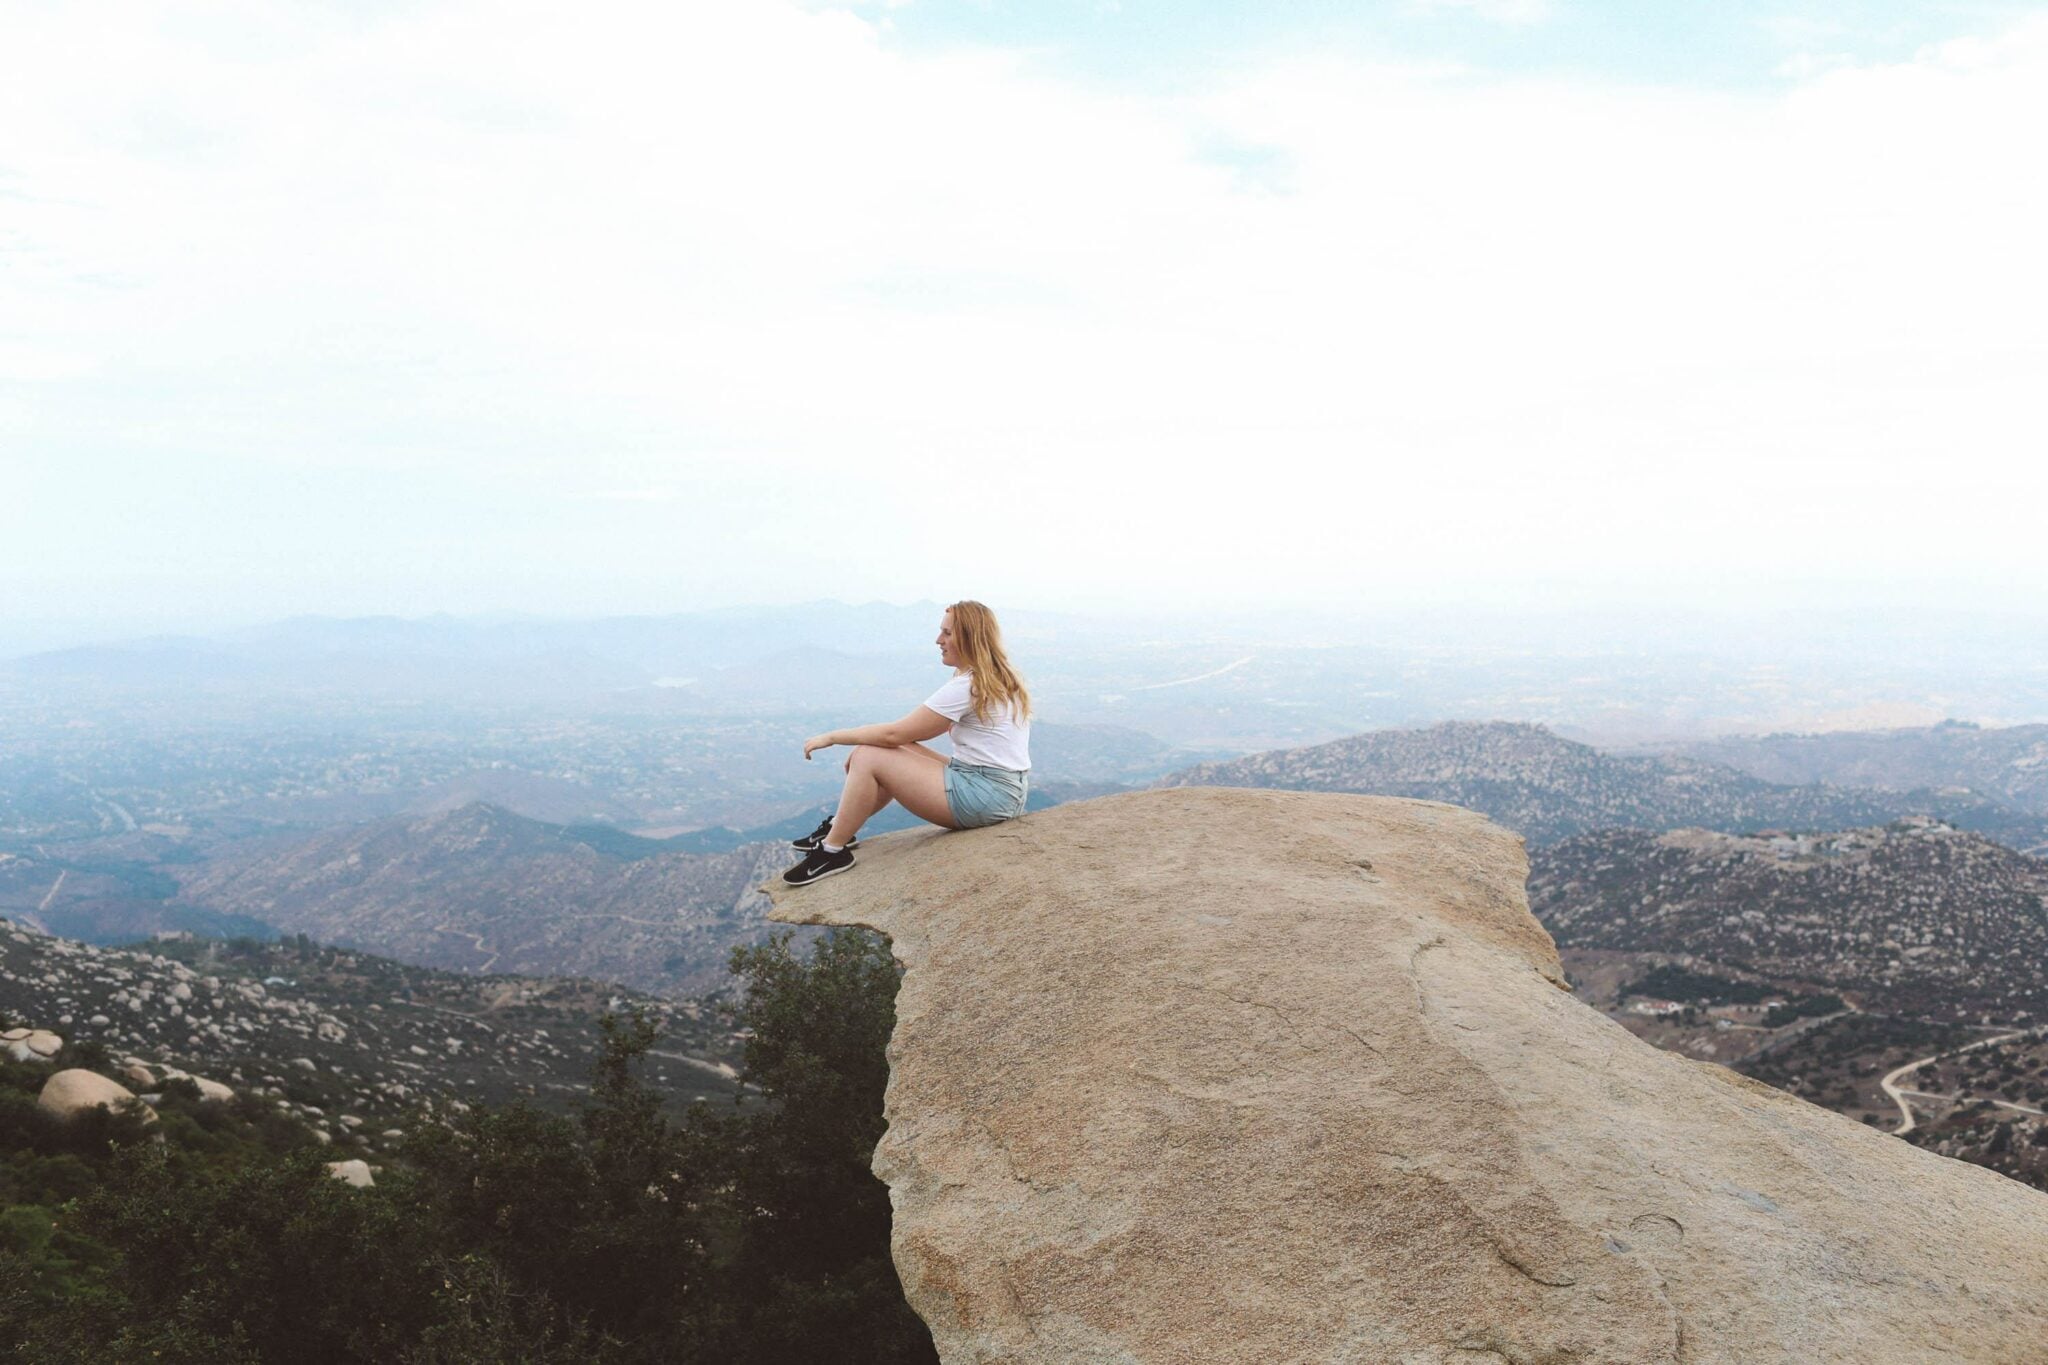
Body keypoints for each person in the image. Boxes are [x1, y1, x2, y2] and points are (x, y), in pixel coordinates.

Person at [781, 600, 1032, 886]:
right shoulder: (994, 676)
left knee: (869, 757)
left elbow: (894, 735)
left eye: (947, 633)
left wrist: (831, 737)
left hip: (986, 796)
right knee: (873, 752)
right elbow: (902, 740)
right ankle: (840, 827)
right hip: (998, 788)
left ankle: (832, 850)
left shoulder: (968, 686)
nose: (939, 640)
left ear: (970, 637)